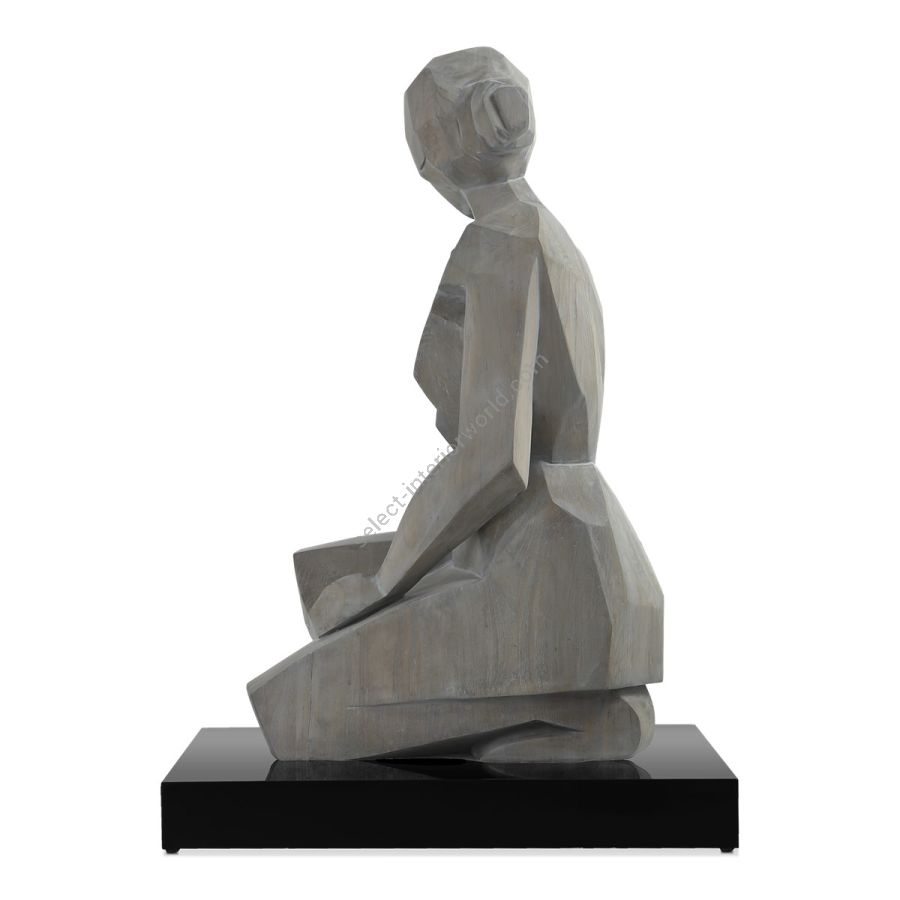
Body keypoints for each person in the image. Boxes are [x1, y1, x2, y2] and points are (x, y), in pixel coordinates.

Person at [249, 48, 663, 762]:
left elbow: (492, 460)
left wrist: (380, 584)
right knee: (324, 572)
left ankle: (572, 704)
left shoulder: (499, 243)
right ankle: (578, 702)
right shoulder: (546, 233)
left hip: (543, 573)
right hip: (569, 543)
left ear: (431, 151)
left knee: (294, 715)